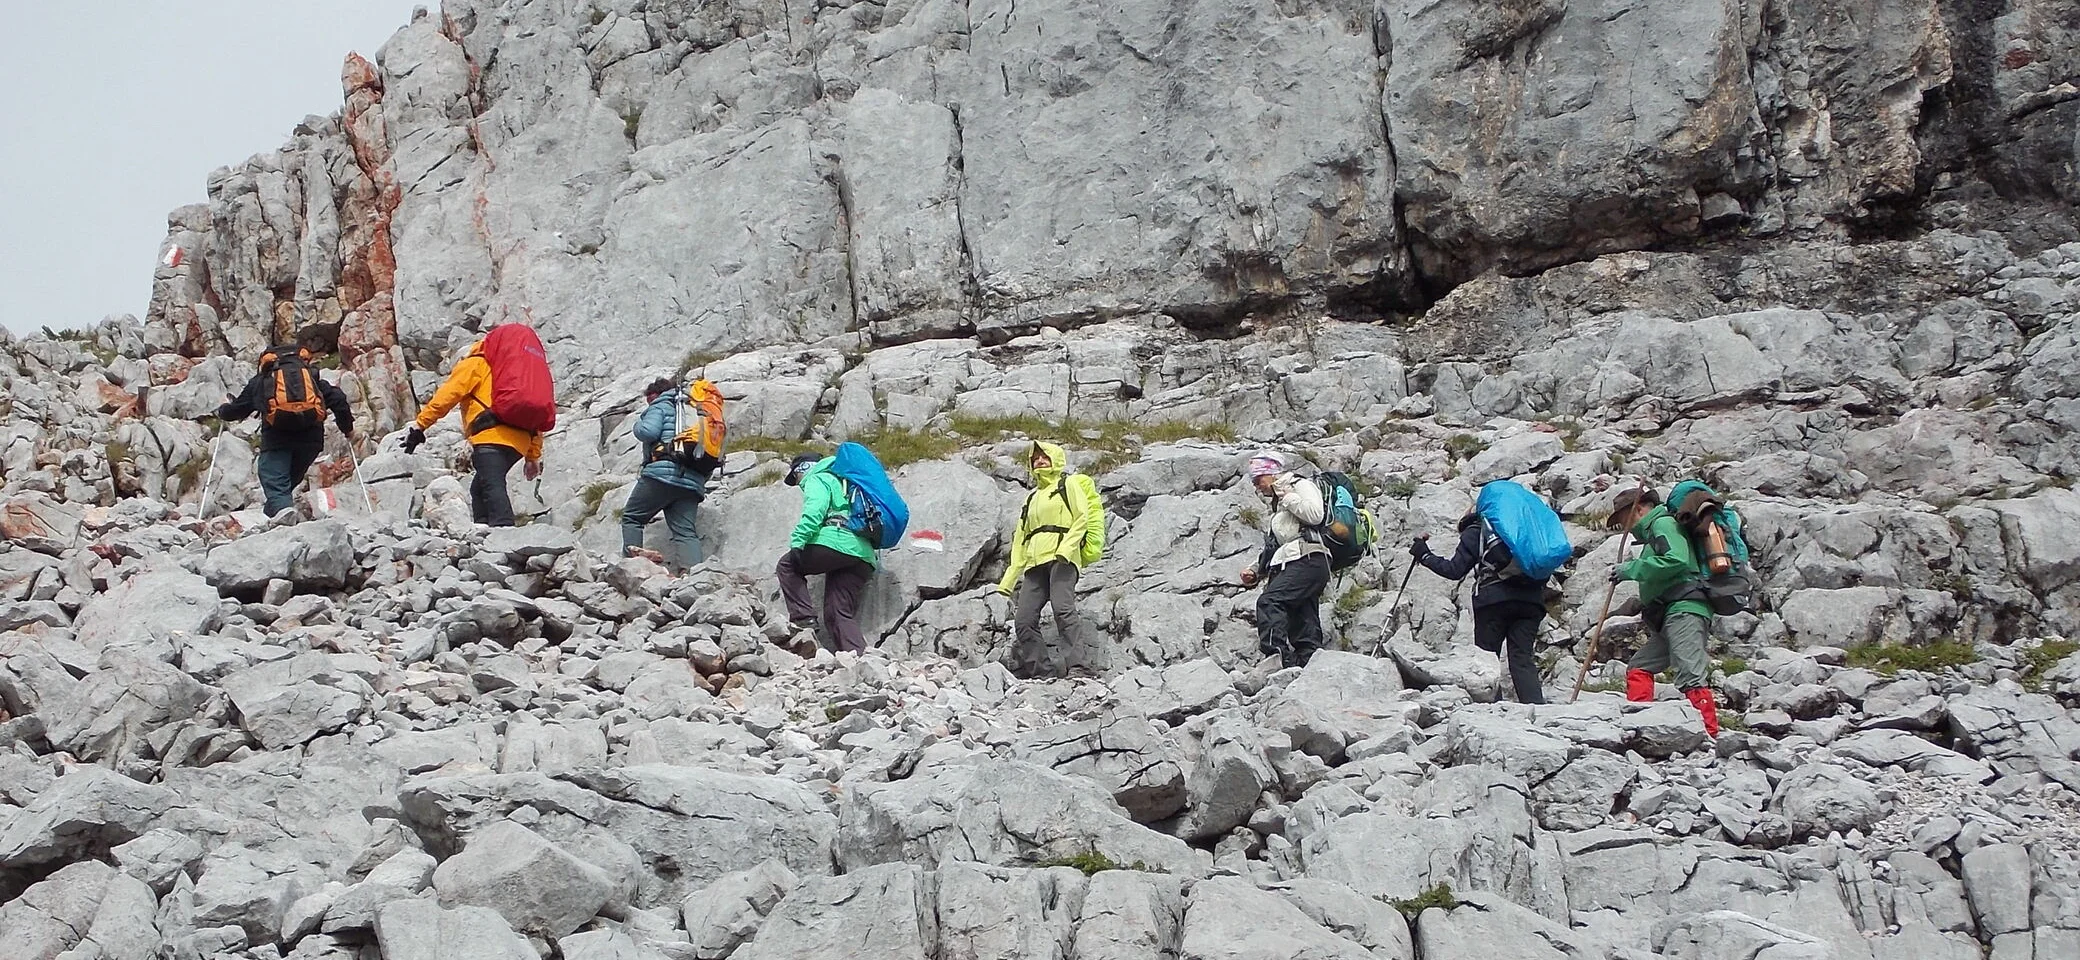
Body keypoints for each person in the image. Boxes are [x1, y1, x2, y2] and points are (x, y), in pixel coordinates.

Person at [1608, 486, 1720, 736]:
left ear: (1637, 509)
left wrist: (1630, 569)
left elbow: (1676, 559)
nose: (1623, 526)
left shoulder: (1663, 525)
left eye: (1623, 519)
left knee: (1690, 673)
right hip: (1670, 614)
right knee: (1639, 666)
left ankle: (1709, 736)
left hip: (1684, 609)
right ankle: (1640, 725)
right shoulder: (1654, 532)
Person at [1412, 512, 1551, 704]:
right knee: (1522, 658)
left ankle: (1492, 711)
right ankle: (1536, 708)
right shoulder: (1525, 530)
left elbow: (1455, 570)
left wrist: (1424, 555)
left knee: (1487, 658)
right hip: (1531, 601)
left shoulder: (1478, 530)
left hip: (1493, 602)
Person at [403, 339, 544, 526]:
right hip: (520, 442)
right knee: (478, 489)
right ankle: (483, 533)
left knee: (492, 486)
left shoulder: (476, 363)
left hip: (490, 436)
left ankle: (504, 530)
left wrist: (421, 424)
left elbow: (447, 396)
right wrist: (532, 456)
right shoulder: (515, 373)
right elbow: (534, 412)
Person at [997, 441, 1107, 679]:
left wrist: (1066, 550)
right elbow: (1021, 539)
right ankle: (1042, 673)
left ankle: (1079, 667)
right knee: (1024, 620)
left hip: (1063, 559)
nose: (1039, 461)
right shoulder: (1031, 498)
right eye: (1035, 458)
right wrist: (1009, 579)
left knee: (1062, 609)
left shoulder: (1068, 485)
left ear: (1055, 459)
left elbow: (1082, 518)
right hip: (1034, 564)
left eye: (1044, 457)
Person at [209, 344, 354, 516]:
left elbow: (237, 411)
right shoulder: (310, 376)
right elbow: (337, 398)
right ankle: (274, 514)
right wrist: (348, 429)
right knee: (283, 487)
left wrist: (222, 410)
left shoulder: (263, 380)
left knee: (275, 482)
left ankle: (285, 523)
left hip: (278, 441)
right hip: (310, 443)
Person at [776, 451, 877, 653]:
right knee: (837, 612)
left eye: (795, 477)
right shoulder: (846, 482)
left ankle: (803, 619)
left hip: (836, 542)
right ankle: (859, 658)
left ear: (802, 469)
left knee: (787, 566)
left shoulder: (818, 478)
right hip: (864, 554)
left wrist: (798, 543)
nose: (797, 482)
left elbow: (815, 510)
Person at [1239, 453, 1330, 669]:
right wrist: (1255, 570)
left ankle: (1278, 658)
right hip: (1297, 560)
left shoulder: (1299, 485)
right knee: (1302, 618)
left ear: (1270, 474)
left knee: (1269, 602)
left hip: (1309, 558)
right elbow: (1275, 545)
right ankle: (1307, 666)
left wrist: (1287, 495)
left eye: (1258, 480)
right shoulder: (1278, 504)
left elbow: (1315, 515)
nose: (1256, 486)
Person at [622, 378, 708, 571]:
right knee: (685, 532)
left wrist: (639, 422)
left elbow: (648, 432)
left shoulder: (661, 405)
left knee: (632, 518)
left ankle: (631, 568)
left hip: (662, 475)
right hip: (693, 481)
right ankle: (695, 575)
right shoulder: (695, 409)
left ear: (654, 395)